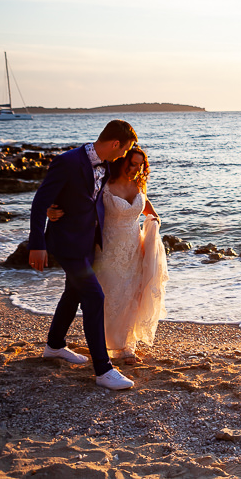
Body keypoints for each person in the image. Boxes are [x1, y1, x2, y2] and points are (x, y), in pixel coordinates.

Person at [28, 119, 138, 390]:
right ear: (114, 144)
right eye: (123, 150)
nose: (123, 156)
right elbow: (40, 201)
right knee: (94, 295)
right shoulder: (68, 161)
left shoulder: (109, 163)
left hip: (88, 241)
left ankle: (54, 346)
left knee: (73, 293)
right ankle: (103, 369)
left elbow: (133, 170)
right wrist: (37, 244)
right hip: (65, 242)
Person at [48, 146, 167, 365]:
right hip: (107, 248)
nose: (136, 169)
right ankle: (101, 343)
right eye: (132, 163)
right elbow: (78, 201)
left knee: (131, 294)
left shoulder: (140, 183)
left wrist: (155, 216)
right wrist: (50, 209)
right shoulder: (105, 183)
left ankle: (125, 345)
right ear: (122, 161)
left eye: (140, 165)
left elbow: (144, 203)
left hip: (133, 247)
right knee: (107, 294)